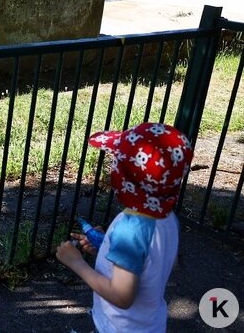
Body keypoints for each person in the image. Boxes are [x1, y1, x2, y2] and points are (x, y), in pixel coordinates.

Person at [56, 122, 194, 333]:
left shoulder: (131, 228)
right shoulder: (166, 217)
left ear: (126, 177)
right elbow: (164, 262)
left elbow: (122, 297)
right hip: (150, 323)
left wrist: (77, 264)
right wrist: (109, 248)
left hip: (121, 327)